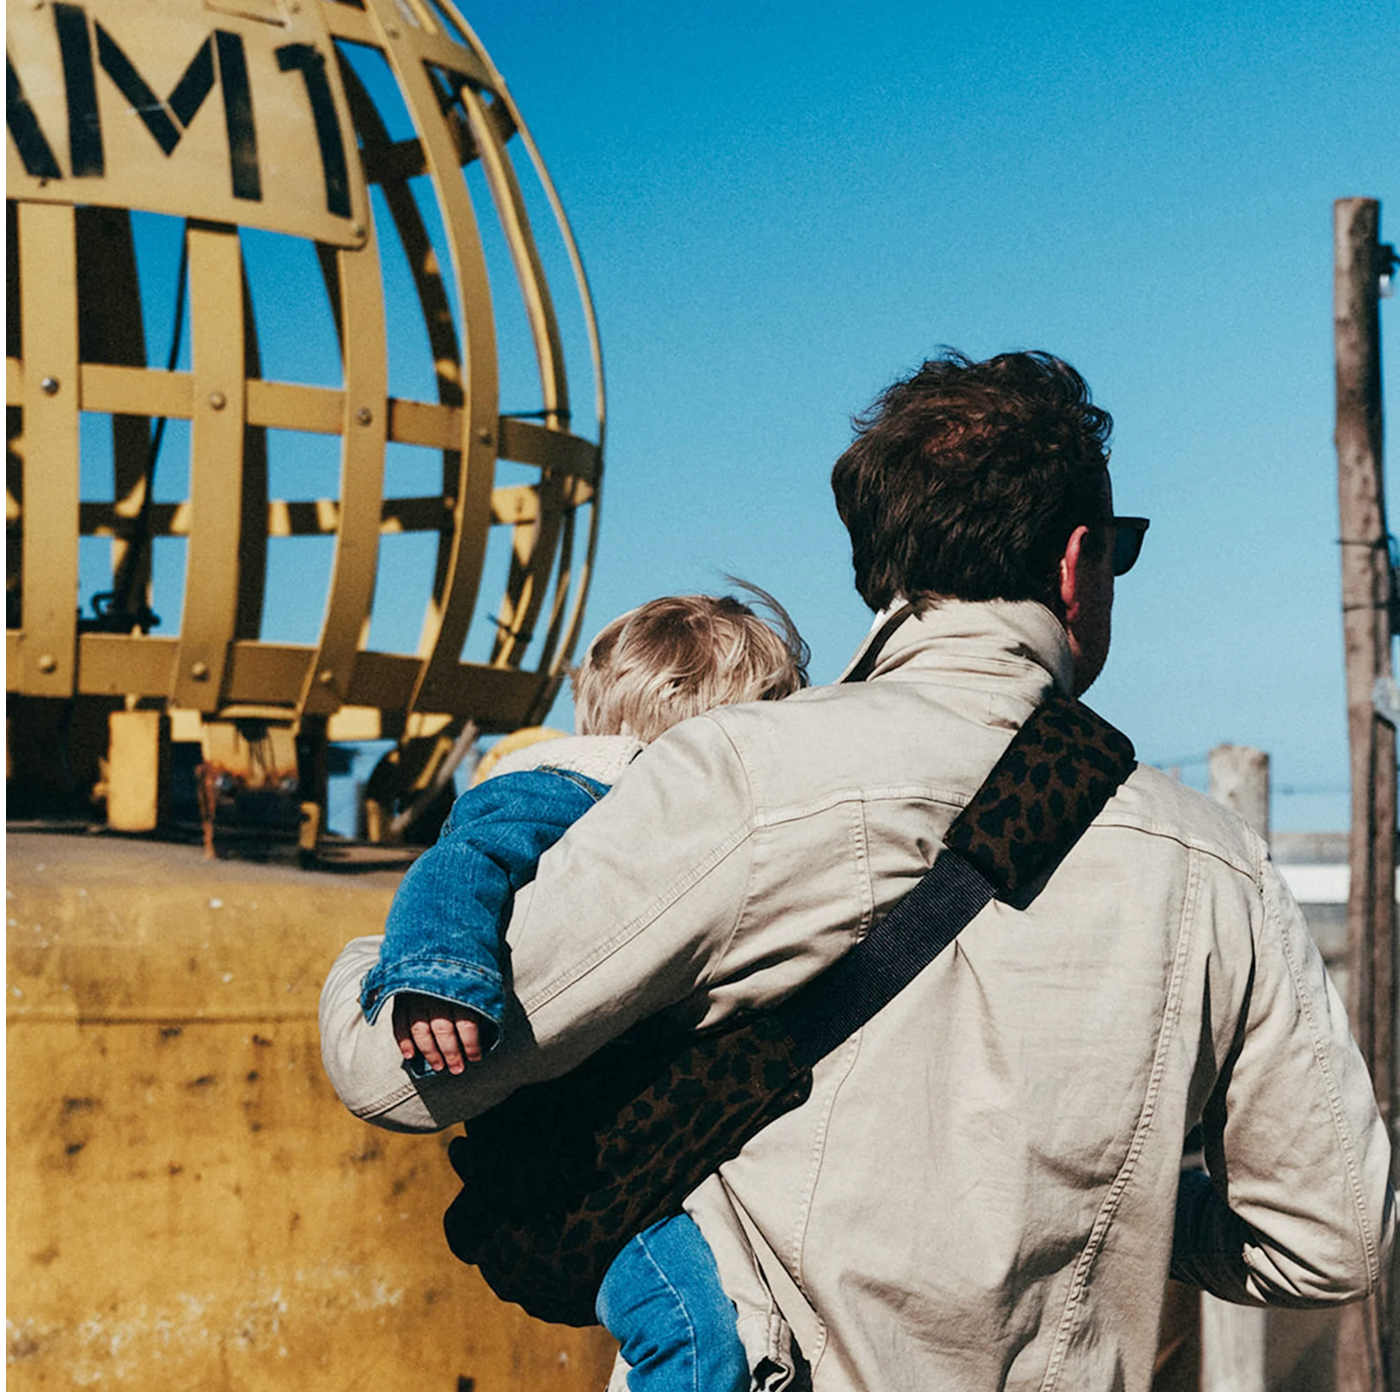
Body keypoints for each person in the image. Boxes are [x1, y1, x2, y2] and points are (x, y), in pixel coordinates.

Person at [323, 350, 1394, 1391]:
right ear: (1077, 564)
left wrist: (369, 957)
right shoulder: (1217, 863)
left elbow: (395, 1076)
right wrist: (1119, 1206)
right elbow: (1328, 1241)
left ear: (877, 560)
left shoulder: (740, 778)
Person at [330, 586, 810, 1392]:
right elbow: (460, 863)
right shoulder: (564, 793)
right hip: (574, 1167)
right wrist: (438, 978)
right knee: (691, 1333)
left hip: (620, 1147)